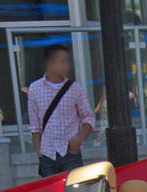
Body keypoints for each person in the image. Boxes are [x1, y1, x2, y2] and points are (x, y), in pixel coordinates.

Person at [27, 43, 96, 177]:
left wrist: (79, 138)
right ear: (50, 64)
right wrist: (39, 152)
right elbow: (35, 125)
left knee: (73, 191)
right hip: (47, 154)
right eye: (63, 61)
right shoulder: (35, 88)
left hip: (71, 152)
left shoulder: (74, 88)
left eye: (67, 61)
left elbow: (88, 117)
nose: (67, 65)